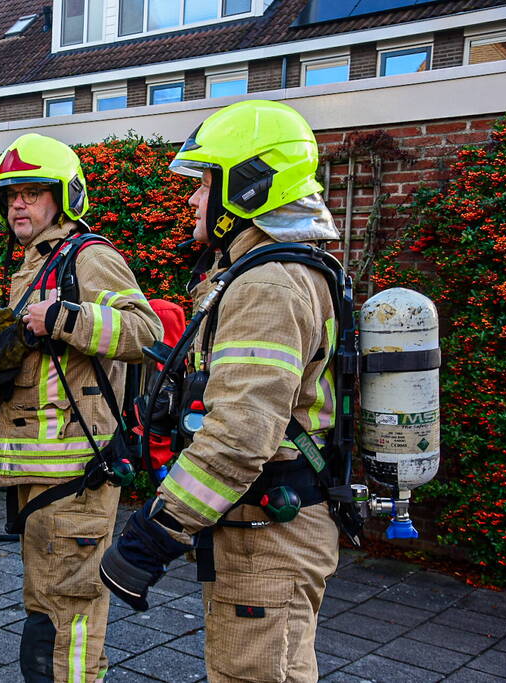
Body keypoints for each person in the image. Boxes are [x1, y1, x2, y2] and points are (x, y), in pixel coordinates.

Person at [99, 99, 343, 682]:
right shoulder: (282, 271)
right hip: (264, 528)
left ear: (248, 187)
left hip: (269, 537)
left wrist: (154, 534)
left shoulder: (268, 284)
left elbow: (240, 433)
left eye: (206, 182)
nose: (191, 199)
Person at [0, 133, 162, 682]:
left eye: (33, 192)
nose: (18, 204)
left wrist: (64, 319)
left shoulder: (89, 256)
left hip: (76, 475)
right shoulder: (35, 266)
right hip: (43, 475)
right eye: (10, 195)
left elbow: (145, 332)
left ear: (64, 198)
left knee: (70, 609)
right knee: (48, 603)